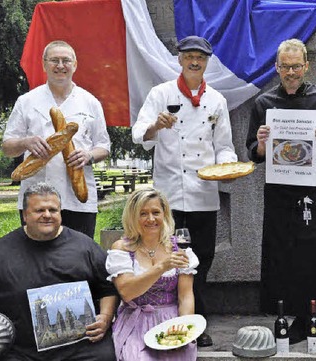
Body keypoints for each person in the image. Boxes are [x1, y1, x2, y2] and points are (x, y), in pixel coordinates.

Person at [132, 35, 237, 347]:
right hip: (168, 195)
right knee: (168, 258)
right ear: (179, 59)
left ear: (207, 62)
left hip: (204, 193)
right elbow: (139, 134)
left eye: (201, 57)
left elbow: (225, 147)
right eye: (189, 56)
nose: (195, 62)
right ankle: (168, 320)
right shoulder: (160, 93)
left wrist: (228, 169)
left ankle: (194, 320)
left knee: (201, 258)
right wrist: (156, 126)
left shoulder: (217, 100)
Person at [245, 38, 316, 344]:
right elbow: (252, 150)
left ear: (305, 66)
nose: (291, 72)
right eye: (285, 67)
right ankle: (299, 320)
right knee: (285, 257)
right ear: (277, 67)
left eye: (296, 66)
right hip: (280, 194)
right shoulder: (264, 104)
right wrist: (262, 146)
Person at [0, 183, 118, 361]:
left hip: (80, 347)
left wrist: (105, 317)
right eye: (39, 210)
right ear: (25, 215)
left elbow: (109, 287)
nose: (47, 215)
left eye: (53, 210)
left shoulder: (85, 247)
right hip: (19, 350)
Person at [3, 40, 111, 239]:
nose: (60, 66)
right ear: (44, 65)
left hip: (78, 197)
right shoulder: (27, 101)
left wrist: (89, 156)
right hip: (36, 198)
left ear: (75, 65)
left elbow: (103, 146)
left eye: (65, 60)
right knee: (37, 258)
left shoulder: (90, 102)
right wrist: (25, 143)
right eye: (54, 60)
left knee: (79, 257)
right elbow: (7, 146)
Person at [106, 188, 198, 360]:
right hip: (135, 321)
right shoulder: (122, 248)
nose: (151, 219)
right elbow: (127, 292)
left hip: (171, 322)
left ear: (164, 214)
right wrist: (162, 266)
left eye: (156, 212)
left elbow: (185, 297)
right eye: (143, 213)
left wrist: (183, 331)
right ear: (133, 216)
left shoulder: (179, 248)